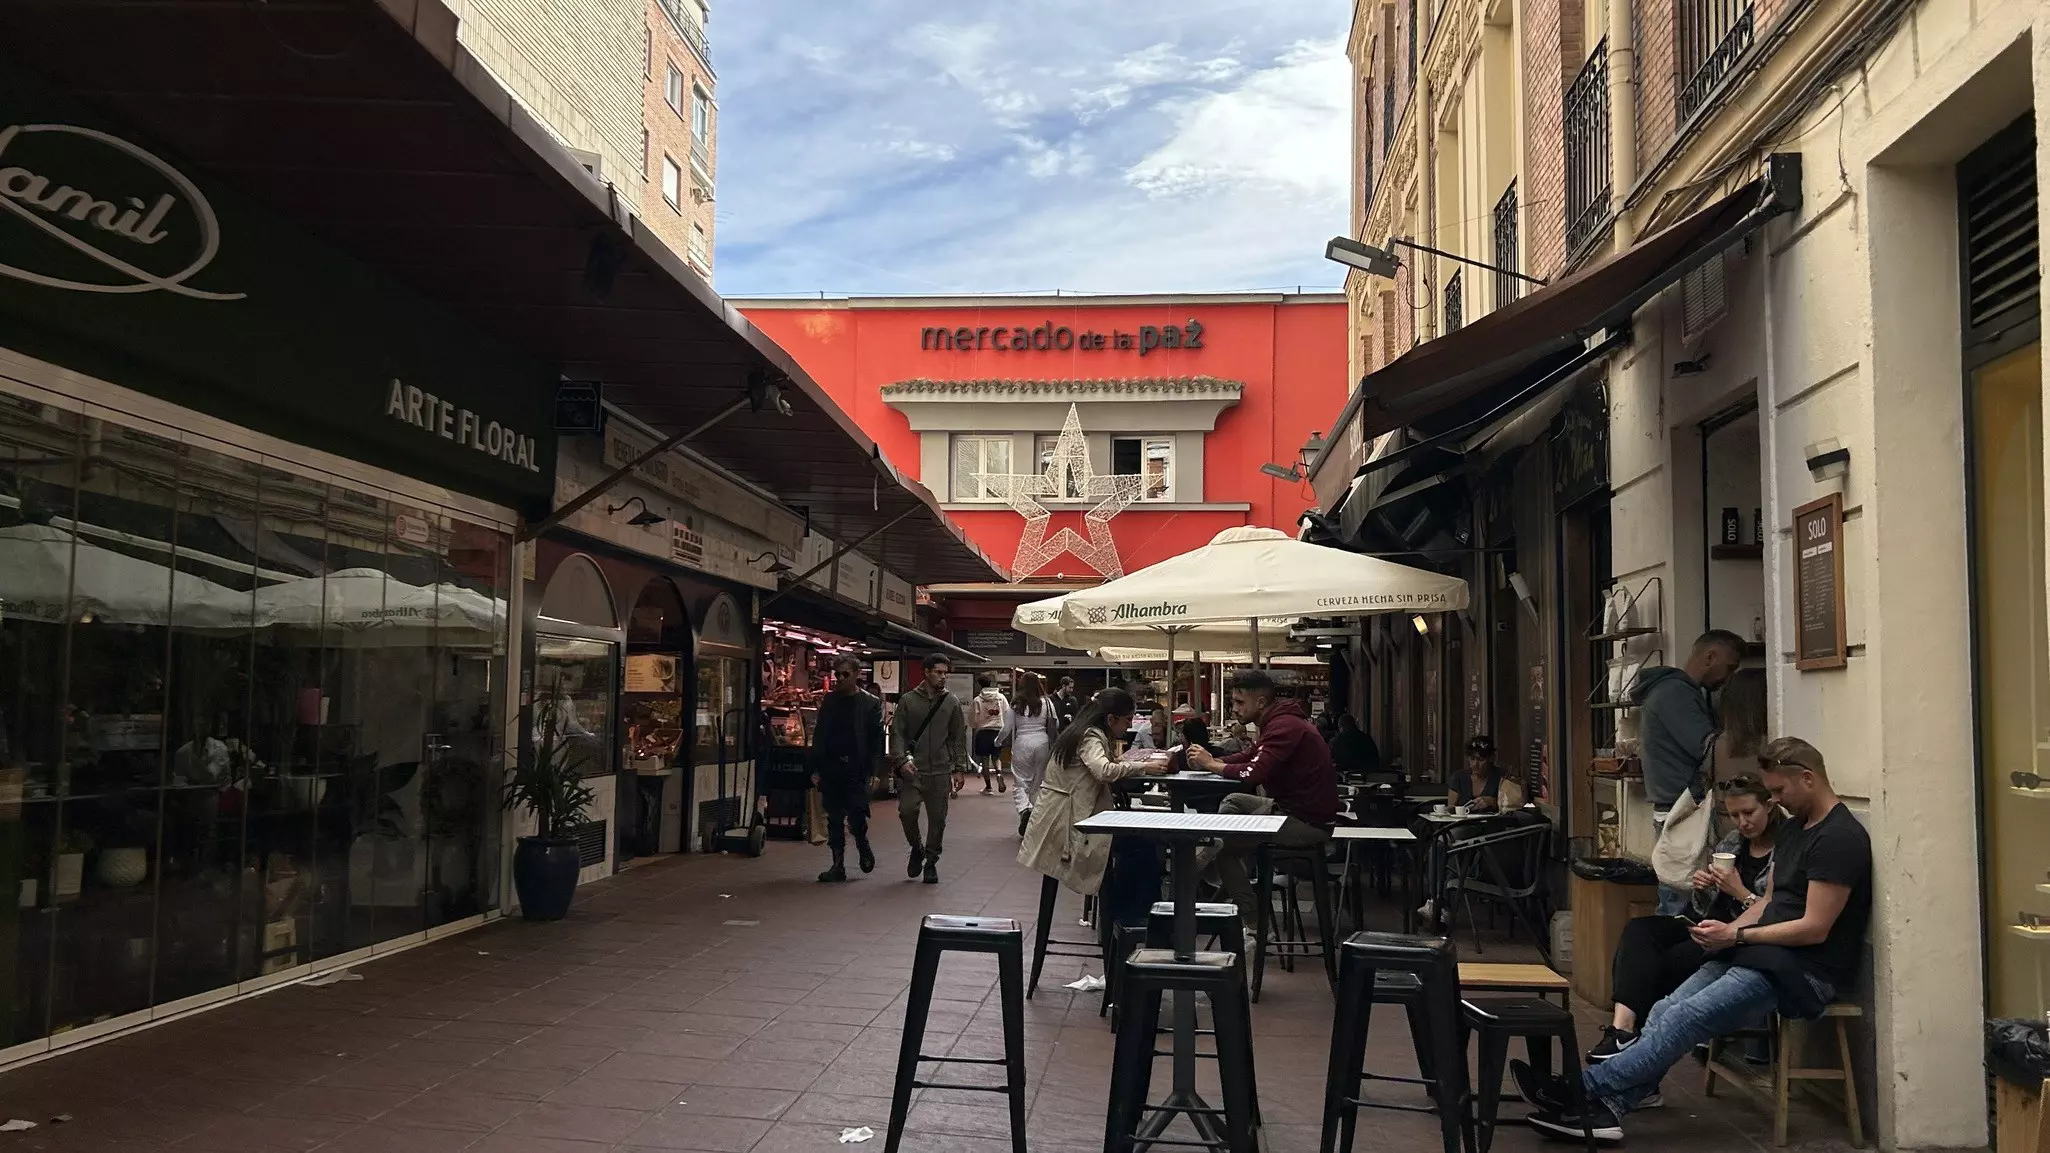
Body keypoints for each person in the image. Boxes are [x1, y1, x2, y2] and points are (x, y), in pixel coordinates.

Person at [1516, 737, 1871, 1142]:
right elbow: (1771, 901)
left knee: (1685, 1019)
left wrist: (1736, 934)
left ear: (1807, 779)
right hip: (1760, 951)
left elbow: (1814, 928)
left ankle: (1583, 1089)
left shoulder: (1838, 838)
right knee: (1666, 1009)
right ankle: (1608, 1113)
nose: (1776, 800)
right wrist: (1727, 936)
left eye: (1778, 791)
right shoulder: (1793, 831)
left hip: (1803, 968)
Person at [1588, 775, 1783, 1062]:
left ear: (1769, 806)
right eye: (1734, 815)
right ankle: (1622, 1030)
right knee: (1640, 930)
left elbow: (1772, 912)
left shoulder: (1785, 851)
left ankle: (1634, 1062)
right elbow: (1706, 906)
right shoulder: (1733, 842)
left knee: (1659, 967)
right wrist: (1704, 887)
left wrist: (1739, 891)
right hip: (1706, 924)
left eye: (1748, 813)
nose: (1742, 822)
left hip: (1735, 940)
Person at [1187, 670, 1340, 928]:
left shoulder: (1285, 727)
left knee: (1225, 850)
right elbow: (1250, 756)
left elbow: (1254, 773)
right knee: (1234, 801)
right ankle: (1229, 853)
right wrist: (1214, 762)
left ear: (1260, 702)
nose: (1234, 709)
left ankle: (1253, 921)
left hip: (1306, 821)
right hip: (1289, 809)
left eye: (1239, 702)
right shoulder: (1278, 723)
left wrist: (1211, 765)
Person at [1018, 688, 1169, 929]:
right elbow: (1103, 770)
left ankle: (1131, 919)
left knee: (1139, 845)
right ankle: (1134, 922)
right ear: (1111, 719)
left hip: (1061, 820)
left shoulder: (1081, 732)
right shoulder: (1091, 736)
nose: (1128, 726)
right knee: (1142, 847)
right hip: (1070, 826)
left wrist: (1129, 763)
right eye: (1127, 720)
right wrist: (1143, 767)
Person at [1629, 630, 1745, 914]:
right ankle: (1665, 957)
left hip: (1676, 807)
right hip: (1684, 812)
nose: (1730, 677)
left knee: (1680, 899)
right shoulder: (1676, 693)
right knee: (1679, 904)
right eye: (1730, 667)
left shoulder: (1675, 690)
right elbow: (1707, 749)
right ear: (1710, 656)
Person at [891, 653, 968, 884]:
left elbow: (957, 737)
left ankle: (931, 861)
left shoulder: (951, 702)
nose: (943, 677)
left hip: (941, 770)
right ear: (926, 672)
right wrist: (901, 760)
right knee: (907, 811)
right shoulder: (908, 700)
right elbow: (898, 733)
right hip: (913, 769)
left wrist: (958, 767)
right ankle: (916, 847)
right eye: (939, 672)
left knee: (938, 820)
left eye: (946, 673)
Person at [808, 656, 882, 883]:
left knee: (857, 812)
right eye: (836, 674)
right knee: (834, 816)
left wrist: (874, 770)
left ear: (857, 674)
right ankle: (837, 864)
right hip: (832, 766)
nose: (839, 678)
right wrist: (816, 767)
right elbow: (820, 735)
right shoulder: (830, 701)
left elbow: (875, 740)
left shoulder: (869, 703)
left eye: (844, 674)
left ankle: (861, 841)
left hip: (856, 766)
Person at [1005, 672, 1060, 837]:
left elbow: (1007, 728)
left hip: (1022, 743)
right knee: (1038, 783)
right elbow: (1055, 723)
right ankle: (1036, 815)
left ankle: (1024, 809)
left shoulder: (1016, 703)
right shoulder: (1047, 702)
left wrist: (998, 741)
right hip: (1042, 743)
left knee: (1020, 782)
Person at [1448, 735, 1525, 814]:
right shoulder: (1459, 777)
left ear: (1491, 758)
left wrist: (1494, 802)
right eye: (1472, 759)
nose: (1475, 764)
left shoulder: (1503, 778)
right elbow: (1450, 810)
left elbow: (1513, 808)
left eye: (1481, 760)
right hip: (1461, 824)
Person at [969, 673, 1012, 795]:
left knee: (985, 759)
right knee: (996, 756)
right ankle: (999, 773)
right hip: (997, 730)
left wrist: (975, 725)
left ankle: (988, 787)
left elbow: (973, 717)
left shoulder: (978, 699)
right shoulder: (1001, 697)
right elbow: (1007, 712)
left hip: (983, 731)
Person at [1328, 713, 1381, 777]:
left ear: (1341, 727)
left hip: (1349, 776)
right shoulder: (1366, 738)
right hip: (1371, 775)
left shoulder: (1339, 740)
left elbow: (1336, 761)